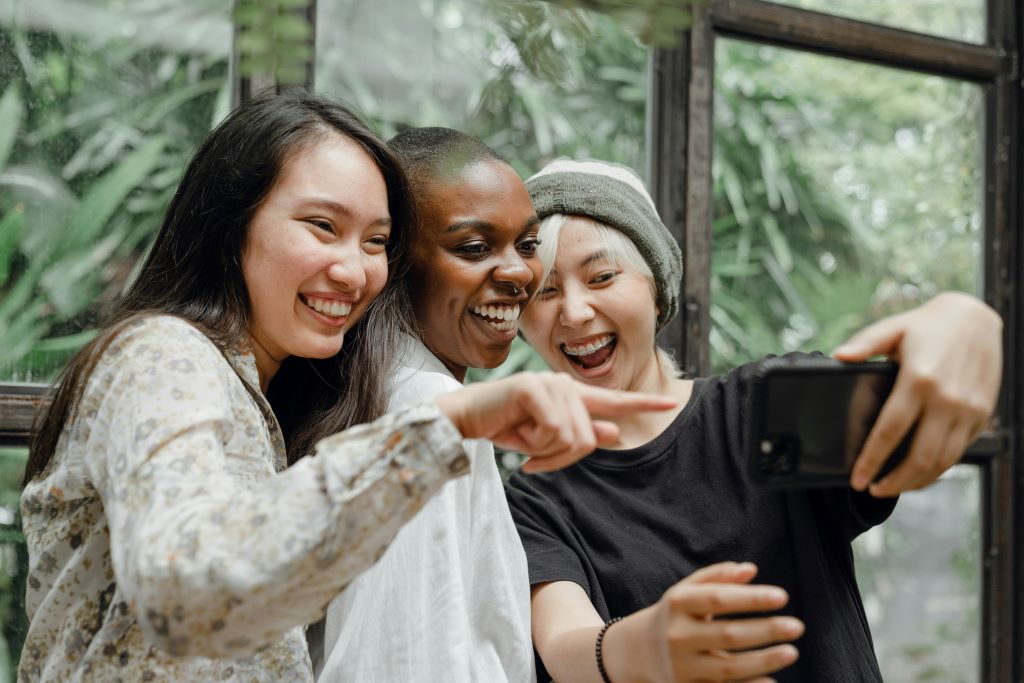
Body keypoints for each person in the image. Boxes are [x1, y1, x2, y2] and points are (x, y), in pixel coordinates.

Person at [17, 100, 674, 683]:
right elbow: (186, 592)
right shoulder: (165, 355)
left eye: (376, 241)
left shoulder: (268, 397)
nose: (354, 268)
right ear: (231, 224)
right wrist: (442, 429)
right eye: (322, 226)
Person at [505, 158, 1003, 683]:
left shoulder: (765, 409)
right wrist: (641, 646)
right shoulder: (537, 496)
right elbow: (564, 646)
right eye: (545, 292)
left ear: (656, 288)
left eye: (602, 276)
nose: (576, 312)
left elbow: (916, 405)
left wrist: (964, 318)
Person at [318, 127, 544, 682]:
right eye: (473, 247)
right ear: (394, 262)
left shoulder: (389, 390)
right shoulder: (428, 408)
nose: (518, 272)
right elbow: (402, 661)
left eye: (529, 245)